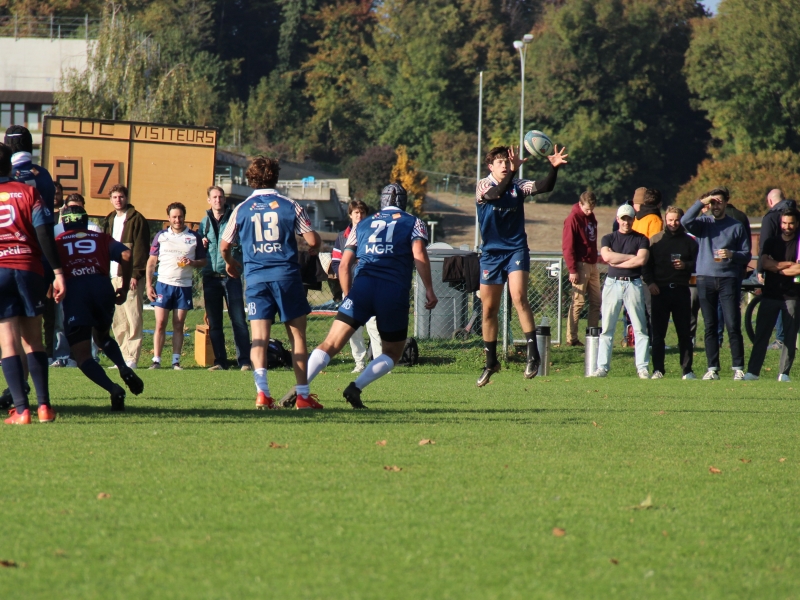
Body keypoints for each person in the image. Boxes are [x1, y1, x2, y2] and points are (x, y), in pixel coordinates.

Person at [284, 183, 437, 410]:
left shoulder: (362, 224)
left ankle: (300, 387)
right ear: (403, 202)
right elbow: (419, 254)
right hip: (393, 292)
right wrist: (429, 289)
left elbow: (344, 265)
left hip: (362, 289)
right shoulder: (414, 222)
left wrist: (348, 296)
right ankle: (355, 387)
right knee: (392, 353)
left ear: (382, 201)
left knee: (330, 343)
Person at [220, 156, 322, 410]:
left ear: (250, 179)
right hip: (286, 278)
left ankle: (263, 394)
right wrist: (315, 247)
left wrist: (230, 263)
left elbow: (224, 246)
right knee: (297, 337)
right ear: (276, 177)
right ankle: (303, 396)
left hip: (256, 279)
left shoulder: (241, 209)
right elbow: (312, 240)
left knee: (259, 339)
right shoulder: (290, 205)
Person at [475, 144, 568, 387]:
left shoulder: (518, 185)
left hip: (516, 249)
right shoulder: (483, 185)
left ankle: (533, 355)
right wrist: (514, 173)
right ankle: (491, 363)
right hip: (491, 254)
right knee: (489, 309)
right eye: (500, 162)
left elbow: (543, 186)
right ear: (490, 166)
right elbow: (494, 195)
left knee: (519, 296)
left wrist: (553, 169)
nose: (505, 165)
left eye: (507, 162)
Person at [54, 206, 144, 409]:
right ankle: (123, 367)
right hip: (102, 288)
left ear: (64, 222)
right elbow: (126, 254)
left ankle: (114, 389)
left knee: (82, 355)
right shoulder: (100, 238)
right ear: (85, 221)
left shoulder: (58, 242)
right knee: (102, 337)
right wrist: (124, 286)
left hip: (76, 293)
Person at [0, 142, 65, 424]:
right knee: (34, 340)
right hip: (29, 268)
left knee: (8, 342)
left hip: (1, 271)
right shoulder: (29, 192)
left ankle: (21, 410)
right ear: (10, 166)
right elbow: (44, 234)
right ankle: (44, 407)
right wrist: (58, 273)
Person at [681, 187, 751, 380]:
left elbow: (746, 254)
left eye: (719, 202)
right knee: (710, 325)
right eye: (713, 202)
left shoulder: (736, 226)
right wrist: (701, 203)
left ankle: (738, 367)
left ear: (727, 202)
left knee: (732, 323)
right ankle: (712, 368)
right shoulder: (703, 223)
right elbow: (685, 221)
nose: (716, 206)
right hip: (705, 278)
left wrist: (731, 254)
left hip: (728, 279)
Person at [592, 204, 651, 378]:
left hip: (633, 284)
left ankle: (642, 367)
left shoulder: (641, 239)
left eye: (629, 219)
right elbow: (607, 257)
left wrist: (618, 261)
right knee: (607, 328)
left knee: (640, 328)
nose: (626, 222)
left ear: (633, 220)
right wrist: (631, 257)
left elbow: (641, 260)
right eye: (623, 219)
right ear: (618, 219)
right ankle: (602, 367)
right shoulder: (608, 238)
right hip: (613, 284)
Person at [146, 202, 207, 370]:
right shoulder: (161, 236)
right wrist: (149, 285)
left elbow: (203, 261)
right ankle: (156, 360)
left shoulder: (194, 237)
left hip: (183, 286)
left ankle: (176, 361)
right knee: (160, 323)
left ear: (184, 217)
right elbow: (151, 262)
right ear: (169, 218)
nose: (177, 220)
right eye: (174, 217)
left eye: (180, 217)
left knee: (179, 324)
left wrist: (192, 262)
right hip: (163, 285)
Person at [744, 208, 800, 381]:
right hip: (770, 295)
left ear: (797, 224)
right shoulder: (771, 242)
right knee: (762, 334)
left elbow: (798, 269)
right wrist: (786, 265)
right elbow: (764, 263)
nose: (787, 227)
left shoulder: (799, 244)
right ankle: (753, 372)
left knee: (789, 337)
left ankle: (784, 373)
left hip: (792, 296)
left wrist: (776, 267)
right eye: (784, 223)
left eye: (791, 223)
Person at [199, 186, 252, 372]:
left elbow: (245, 244)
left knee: (238, 320)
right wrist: (202, 243)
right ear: (209, 200)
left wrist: (236, 252)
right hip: (210, 277)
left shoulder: (234, 219)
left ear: (224, 199)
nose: (217, 200)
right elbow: (198, 248)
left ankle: (244, 361)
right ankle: (220, 362)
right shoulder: (204, 222)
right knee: (214, 323)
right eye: (214, 197)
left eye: (220, 197)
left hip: (231, 276)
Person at [644, 206, 698, 379]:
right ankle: (658, 369)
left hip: (681, 290)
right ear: (665, 220)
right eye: (670, 220)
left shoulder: (689, 241)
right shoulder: (655, 240)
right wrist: (650, 283)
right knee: (658, 334)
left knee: (684, 333)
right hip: (660, 291)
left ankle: (687, 370)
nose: (673, 223)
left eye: (676, 220)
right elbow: (646, 266)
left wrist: (686, 265)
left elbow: (698, 263)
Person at [101, 184, 151, 369]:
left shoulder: (137, 220)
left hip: (129, 276)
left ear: (126, 197)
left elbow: (141, 250)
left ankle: (132, 358)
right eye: (115, 197)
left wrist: (135, 274)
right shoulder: (109, 220)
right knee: (118, 320)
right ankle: (122, 357)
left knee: (133, 317)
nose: (118, 200)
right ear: (110, 199)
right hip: (111, 276)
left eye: (121, 196)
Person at [330, 199, 382, 371]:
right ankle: (359, 363)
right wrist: (345, 281)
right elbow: (336, 263)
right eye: (356, 213)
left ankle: (380, 363)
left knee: (374, 326)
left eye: (362, 212)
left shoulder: (374, 234)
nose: (359, 216)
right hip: (350, 288)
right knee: (353, 328)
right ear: (350, 215)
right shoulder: (341, 237)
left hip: (371, 286)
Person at [562, 190, 600, 347]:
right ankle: (572, 338)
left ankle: (592, 335)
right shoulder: (573, 219)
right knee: (578, 302)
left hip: (592, 263)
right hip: (580, 264)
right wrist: (572, 269)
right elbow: (567, 246)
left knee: (596, 301)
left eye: (592, 209)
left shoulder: (591, 218)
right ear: (580, 204)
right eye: (587, 209)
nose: (589, 212)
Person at [759, 188, 795, 350]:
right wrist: (788, 266)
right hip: (794, 269)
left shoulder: (770, 217)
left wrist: (762, 269)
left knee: (777, 301)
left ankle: (779, 338)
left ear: (770, 201)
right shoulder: (796, 215)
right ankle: (785, 338)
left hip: (774, 271)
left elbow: (764, 248)